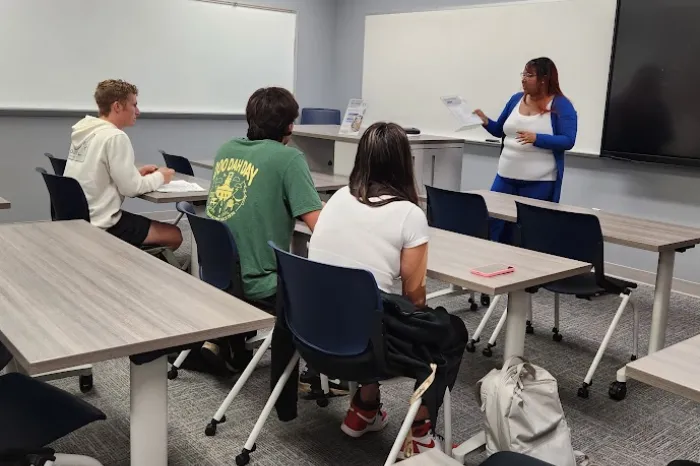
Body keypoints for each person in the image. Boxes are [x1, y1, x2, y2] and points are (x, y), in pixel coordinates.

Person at [307, 122, 468, 458]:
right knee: (449, 331)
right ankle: (420, 433)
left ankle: (365, 407)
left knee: (366, 306)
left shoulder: (336, 198)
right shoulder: (409, 214)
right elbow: (416, 299)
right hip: (365, 346)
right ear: (403, 163)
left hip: (314, 333)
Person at [201, 87, 323, 372]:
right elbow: (317, 224)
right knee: (333, 291)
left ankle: (224, 340)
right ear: (290, 126)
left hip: (221, 274)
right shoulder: (288, 158)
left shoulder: (226, 149)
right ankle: (317, 376)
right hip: (260, 282)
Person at [65, 79, 182, 250]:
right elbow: (131, 189)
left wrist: (135, 173)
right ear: (117, 107)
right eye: (134, 105)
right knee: (175, 235)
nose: (138, 111)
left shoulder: (86, 132)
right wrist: (160, 177)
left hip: (80, 217)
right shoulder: (115, 137)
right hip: (102, 223)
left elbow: (98, 173)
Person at [473, 57, 577, 243]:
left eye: (529, 75)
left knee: (528, 231)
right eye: (523, 74)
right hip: (505, 177)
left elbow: (568, 140)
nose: (523, 79)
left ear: (544, 79)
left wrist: (537, 138)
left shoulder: (561, 105)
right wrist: (485, 121)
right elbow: (499, 130)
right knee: (492, 223)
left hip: (539, 182)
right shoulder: (515, 100)